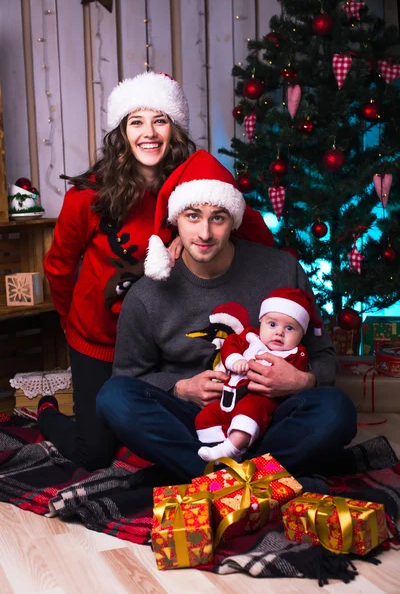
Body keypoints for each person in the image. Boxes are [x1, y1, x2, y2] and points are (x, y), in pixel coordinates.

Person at [40, 72, 274, 471]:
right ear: (122, 132)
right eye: (136, 122)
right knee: (94, 453)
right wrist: (70, 324)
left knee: (193, 428)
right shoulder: (87, 196)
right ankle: (47, 413)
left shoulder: (196, 188)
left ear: (175, 129)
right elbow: (59, 267)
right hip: (100, 338)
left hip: (164, 344)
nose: (149, 133)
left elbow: (252, 232)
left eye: (160, 120)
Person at [96, 150, 357, 484]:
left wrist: (301, 380)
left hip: (270, 413)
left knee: (336, 410)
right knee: (113, 398)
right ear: (176, 220)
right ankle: (254, 479)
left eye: (217, 217)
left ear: (233, 220)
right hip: (194, 421)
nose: (204, 233)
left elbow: (324, 357)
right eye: (192, 217)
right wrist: (180, 388)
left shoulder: (280, 270)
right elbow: (130, 378)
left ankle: (208, 479)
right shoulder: (148, 294)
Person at [195, 288, 321, 462]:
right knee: (205, 418)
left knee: (249, 411)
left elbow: (295, 377)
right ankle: (219, 450)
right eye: (272, 324)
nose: (279, 332)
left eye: (290, 328)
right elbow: (230, 344)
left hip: (260, 399)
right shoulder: (250, 337)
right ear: (260, 322)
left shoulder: (295, 353)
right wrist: (235, 359)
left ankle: (232, 448)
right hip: (228, 398)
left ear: (302, 335)